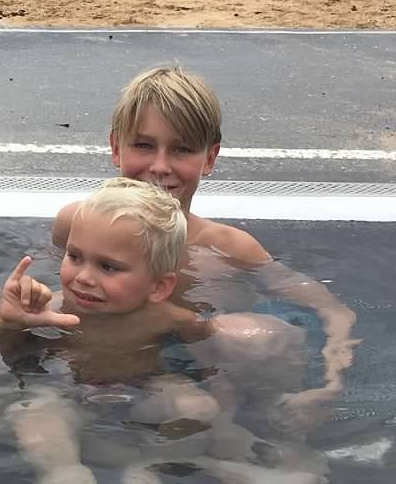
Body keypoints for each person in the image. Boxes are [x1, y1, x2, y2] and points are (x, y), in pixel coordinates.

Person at [52, 66, 358, 436]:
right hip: (101, 367)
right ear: (116, 148)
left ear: (209, 159)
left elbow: (333, 311)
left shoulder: (227, 249)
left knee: (258, 336)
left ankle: (279, 440)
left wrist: (330, 382)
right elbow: (50, 288)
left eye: (181, 149)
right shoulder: (76, 223)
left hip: (201, 381)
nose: (160, 166)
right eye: (143, 146)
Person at [0, 179, 325, 484]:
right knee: (35, 415)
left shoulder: (169, 318)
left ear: (158, 287)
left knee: (198, 408)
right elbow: (12, 359)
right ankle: (67, 473)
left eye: (108, 266)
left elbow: (211, 365)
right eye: (75, 256)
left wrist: (223, 413)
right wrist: (9, 323)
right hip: (68, 390)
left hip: (145, 390)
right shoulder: (50, 309)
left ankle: (155, 463)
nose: (83, 277)